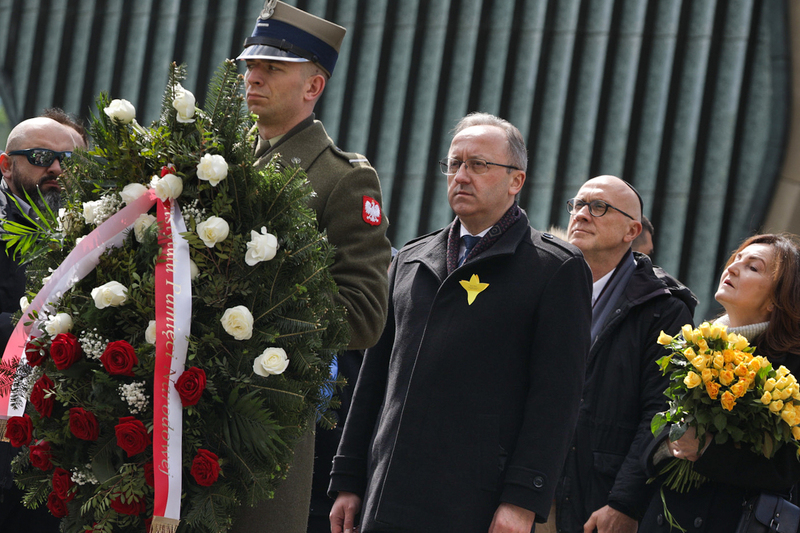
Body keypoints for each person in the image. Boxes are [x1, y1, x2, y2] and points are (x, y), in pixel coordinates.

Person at [328, 112, 593, 533]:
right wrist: (348, 479)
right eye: (455, 164)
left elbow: (556, 400)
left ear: (516, 180)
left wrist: (522, 501)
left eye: (479, 164)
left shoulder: (554, 268)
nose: (462, 176)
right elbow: (374, 378)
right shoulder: (411, 259)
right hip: (388, 493)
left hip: (477, 503)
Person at [234, 2, 391, 532]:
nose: (254, 77)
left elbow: (364, 314)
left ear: (313, 86)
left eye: (273, 68)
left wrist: (255, 295)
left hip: (264, 419)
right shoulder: (218, 162)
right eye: (251, 66)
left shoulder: (342, 179)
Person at [553, 175, 696, 533]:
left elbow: (661, 412)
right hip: (526, 487)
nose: (581, 214)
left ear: (632, 230)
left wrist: (625, 502)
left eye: (599, 207)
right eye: (577, 205)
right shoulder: (544, 283)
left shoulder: (663, 308)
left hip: (597, 497)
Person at [640, 233, 800, 532]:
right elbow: (654, 420)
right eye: (736, 259)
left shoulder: (789, 369)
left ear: (776, 299)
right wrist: (671, 441)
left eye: (753, 267)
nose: (733, 268)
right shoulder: (696, 344)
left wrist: (708, 451)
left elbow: (788, 468)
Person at [0, 115, 86, 532]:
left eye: (67, 160)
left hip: (61, 461)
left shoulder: (96, 231)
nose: (56, 168)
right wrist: (40, 329)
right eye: (40, 157)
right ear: (6, 165)